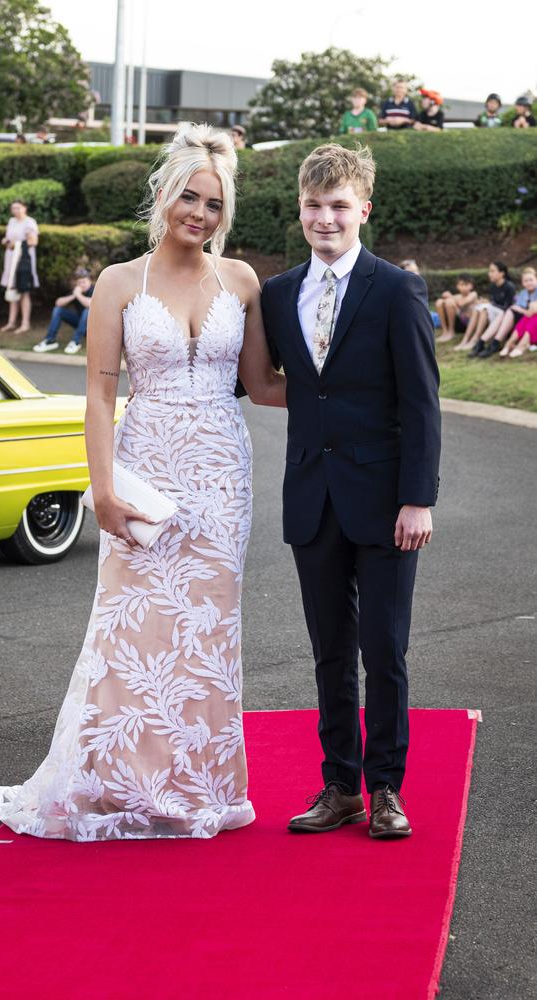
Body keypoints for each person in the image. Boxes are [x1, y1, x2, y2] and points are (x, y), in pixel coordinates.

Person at [0, 122, 286, 841]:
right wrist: (100, 488)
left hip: (223, 476)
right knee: (132, 628)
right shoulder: (117, 283)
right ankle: (116, 783)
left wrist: (354, 385)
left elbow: (261, 384)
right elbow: (100, 395)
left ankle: (197, 786)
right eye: (188, 198)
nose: (199, 214)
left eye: (214, 205)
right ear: (164, 194)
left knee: (206, 633)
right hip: (146, 470)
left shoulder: (243, 281)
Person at [261, 143, 441, 839]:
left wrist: (418, 497)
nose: (325, 218)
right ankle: (339, 787)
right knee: (329, 650)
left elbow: (422, 402)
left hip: (387, 500)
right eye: (314, 206)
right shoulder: (278, 296)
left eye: (339, 206)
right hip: (312, 494)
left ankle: (387, 787)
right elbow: (269, 379)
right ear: (299, 211)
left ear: (364, 208)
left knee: (384, 649)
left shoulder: (396, 289)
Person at [472, 267, 537, 358]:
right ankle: (495, 342)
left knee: (531, 317)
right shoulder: (523, 293)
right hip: (525, 317)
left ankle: (516, 345)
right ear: (522, 283)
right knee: (510, 311)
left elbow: (532, 310)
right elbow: (519, 307)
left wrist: (523, 310)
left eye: (531, 280)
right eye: (526, 281)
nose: (529, 282)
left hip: (532, 318)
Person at [33, 267, 95, 354]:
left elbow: (90, 304)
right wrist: (74, 295)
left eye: (84, 282)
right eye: (79, 282)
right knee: (58, 310)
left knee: (87, 311)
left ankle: (75, 342)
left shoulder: (95, 289)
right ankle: (50, 340)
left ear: (90, 281)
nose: (82, 284)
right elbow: (58, 303)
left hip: (95, 327)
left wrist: (78, 295)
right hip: (82, 324)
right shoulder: (77, 291)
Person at [0, 198, 39, 333]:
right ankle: (11, 322)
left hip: (23, 260)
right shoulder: (11, 221)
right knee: (12, 289)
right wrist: (7, 242)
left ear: (24, 208)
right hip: (11, 259)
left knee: (24, 292)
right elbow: (8, 238)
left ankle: (25, 323)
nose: (15, 211)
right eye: (13, 208)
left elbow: (33, 241)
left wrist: (17, 243)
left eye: (18, 208)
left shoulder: (29, 222)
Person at [456, 262, 515, 351]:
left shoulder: (509, 286)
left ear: (502, 273)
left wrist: (490, 304)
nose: (489, 274)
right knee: (477, 308)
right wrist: (486, 302)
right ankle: (465, 339)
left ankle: (475, 339)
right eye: (489, 271)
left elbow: (507, 308)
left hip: (503, 315)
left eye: (492, 271)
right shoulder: (492, 286)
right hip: (494, 311)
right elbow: (493, 301)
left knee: (484, 309)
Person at [434, 274, 478, 342]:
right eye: (461, 284)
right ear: (457, 286)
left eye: (466, 284)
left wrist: (450, 296)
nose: (463, 287)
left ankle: (451, 332)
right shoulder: (457, 296)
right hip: (457, 322)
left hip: (467, 324)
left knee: (449, 302)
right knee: (439, 302)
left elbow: (462, 303)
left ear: (471, 286)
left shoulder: (473, 294)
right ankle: (445, 331)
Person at [400, 259, 440, 328]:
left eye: (417, 270)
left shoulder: (419, 285)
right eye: (412, 271)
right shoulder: (402, 287)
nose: (416, 274)